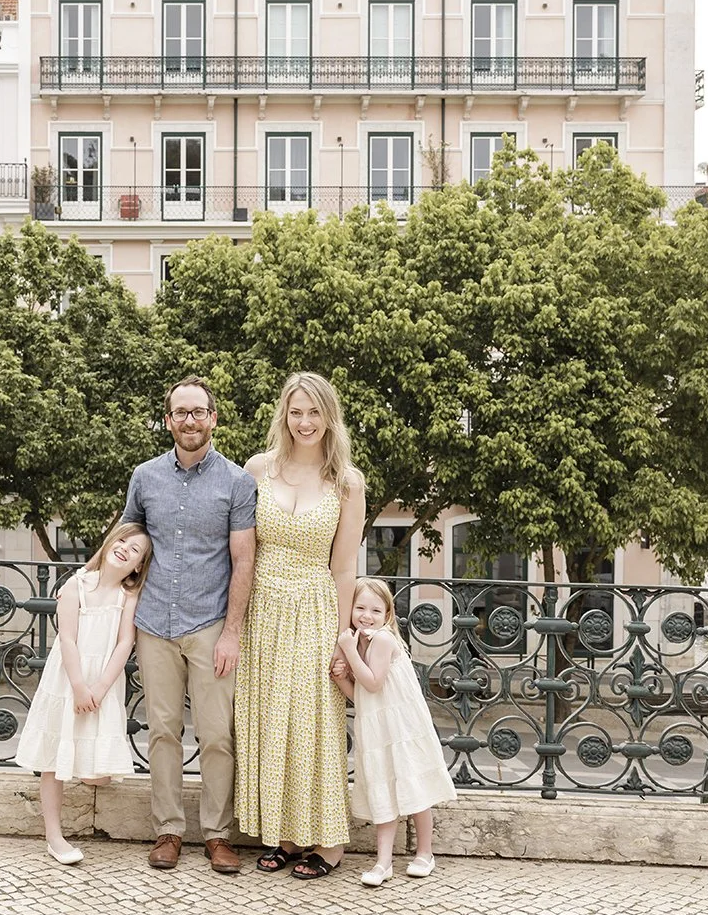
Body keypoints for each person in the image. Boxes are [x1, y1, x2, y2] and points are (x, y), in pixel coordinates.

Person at [121, 376, 257, 874]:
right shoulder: (145, 476)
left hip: (210, 624)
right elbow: (129, 538)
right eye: (180, 412)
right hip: (154, 621)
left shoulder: (238, 483)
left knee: (218, 734)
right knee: (163, 731)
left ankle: (218, 835)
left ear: (213, 418)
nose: (189, 420)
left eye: (198, 412)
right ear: (168, 420)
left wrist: (232, 634)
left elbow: (244, 562)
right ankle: (169, 830)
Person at [236, 371, 365, 881]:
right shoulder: (258, 469)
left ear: (329, 417)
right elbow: (241, 549)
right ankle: (286, 837)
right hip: (262, 608)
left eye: (314, 412)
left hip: (314, 606)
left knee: (314, 722)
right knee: (269, 720)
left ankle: (328, 843)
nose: (305, 422)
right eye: (296, 412)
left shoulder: (346, 482)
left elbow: (345, 567)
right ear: (284, 416)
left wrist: (342, 635)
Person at [14, 523, 152, 865]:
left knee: (97, 771)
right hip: (68, 679)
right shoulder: (76, 585)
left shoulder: (128, 596)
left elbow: (125, 643)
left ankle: (89, 773)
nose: (125, 549)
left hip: (102, 681)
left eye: (135, 550)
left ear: (138, 566)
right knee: (53, 760)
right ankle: (54, 835)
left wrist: (100, 688)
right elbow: (67, 639)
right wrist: (78, 686)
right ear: (108, 543)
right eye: (122, 540)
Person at [334, 577, 457, 887]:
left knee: (414, 788)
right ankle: (383, 862)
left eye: (375, 610)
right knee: (383, 788)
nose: (366, 615)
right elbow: (362, 696)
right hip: (377, 726)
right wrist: (340, 680)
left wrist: (348, 650)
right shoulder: (362, 641)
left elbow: (373, 682)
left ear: (387, 615)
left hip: (403, 726)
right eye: (360, 607)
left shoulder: (383, 640)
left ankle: (425, 853)